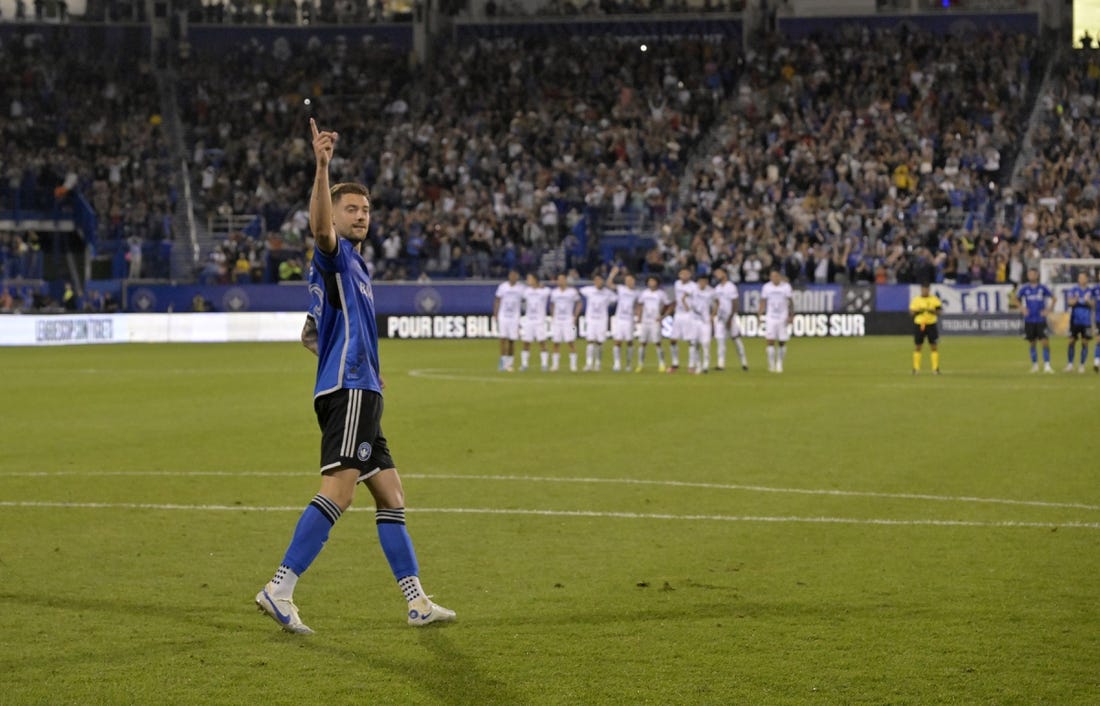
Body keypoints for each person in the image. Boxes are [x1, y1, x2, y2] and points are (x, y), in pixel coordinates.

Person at [256, 119, 455, 635]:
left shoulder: (358, 269)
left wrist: (360, 360)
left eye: (365, 210)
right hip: (349, 393)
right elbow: (320, 229)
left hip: (360, 387)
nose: (361, 215)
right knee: (339, 491)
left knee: (390, 494)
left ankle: (416, 602)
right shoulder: (335, 254)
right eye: (352, 209)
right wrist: (322, 169)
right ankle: (280, 586)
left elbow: (309, 333)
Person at [1016, 268, 1054, 373]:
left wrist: (1049, 310)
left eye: (1033, 274)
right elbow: (1015, 299)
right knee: (1032, 343)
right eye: (1030, 274)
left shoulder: (1042, 288)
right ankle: (1035, 365)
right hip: (1029, 320)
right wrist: (1022, 308)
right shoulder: (1025, 288)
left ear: (1037, 276)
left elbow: (1054, 298)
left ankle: (1047, 365)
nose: (1031, 276)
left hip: (1041, 320)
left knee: (1045, 342)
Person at [712, 267, 748, 371]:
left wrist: (731, 317)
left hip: (730, 317)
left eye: (718, 273)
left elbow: (735, 303)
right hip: (720, 318)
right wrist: (714, 315)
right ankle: (720, 364)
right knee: (720, 341)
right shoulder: (717, 288)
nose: (717, 275)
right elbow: (717, 303)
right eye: (716, 273)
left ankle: (744, 362)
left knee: (736, 340)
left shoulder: (731, 286)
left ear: (724, 274)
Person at [579, 272, 616, 372]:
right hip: (591, 319)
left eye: (599, 280)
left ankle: (598, 363)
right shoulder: (589, 290)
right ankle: (589, 363)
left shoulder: (608, 293)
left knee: (599, 342)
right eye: (596, 280)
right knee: (590, 341)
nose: (597, 282)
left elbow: (615, 298)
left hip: (602, 320)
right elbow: (578, 291)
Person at [759, 269, 794, 373]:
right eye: (772, 276)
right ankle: (771, 364)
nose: (774, 278)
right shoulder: (766, 287)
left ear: (779, 276)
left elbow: (791, 302)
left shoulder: (786, 287)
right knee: (770, 340)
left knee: (782, 342)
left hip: (782, 317)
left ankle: (779, 363)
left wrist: (791, 315)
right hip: (770, 317)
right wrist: (759, 316)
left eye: (776, 276)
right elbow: (763, 302)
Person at [608, 268, 641, 372]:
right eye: (627, 280)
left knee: (629, 342)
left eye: (631, 280)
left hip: (629, 319)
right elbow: (609, 284)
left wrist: (638, 316)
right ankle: (617, 363)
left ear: (634, 281)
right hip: (619, 319)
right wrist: (612, 274)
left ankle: (628, 364)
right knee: (617, 341)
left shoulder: (637, 293)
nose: (629, 282)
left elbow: (638, 306)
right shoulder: (621, 289)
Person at [636, 275, 670, 372]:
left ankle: (662, 363)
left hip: (655, 321)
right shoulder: (644, 293)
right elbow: (640, 304)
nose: (651, 283)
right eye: (650, 281)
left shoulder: (661, 294)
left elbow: (668, 305)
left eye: (653, 281)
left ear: (657, 282)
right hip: (645, 321)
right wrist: (639, 316)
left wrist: (663, 316)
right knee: (642, 343)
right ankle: (640, 364)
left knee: (657, 342)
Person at [493, 268, 525, 372]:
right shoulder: (503, 287)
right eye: (511, 275)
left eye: (514, 275)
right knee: (502, 339)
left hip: (514, 317)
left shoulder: (521, 288)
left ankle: (509, 363)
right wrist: (496, 313)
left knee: (511, 341)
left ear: (517, 277)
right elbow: (497, 300)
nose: (512, 277)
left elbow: (527, 299)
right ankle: (502, 362)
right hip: (503, 316)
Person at [549, 272, 582, 372]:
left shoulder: (572, 292)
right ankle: (555, 365)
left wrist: (575, 316)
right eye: (559, 279)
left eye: (562, 279)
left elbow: (579, 303)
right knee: (556, 342)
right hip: (557, 320)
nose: (560, 281)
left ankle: (573, 365)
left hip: (569, 321)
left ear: (565, 280)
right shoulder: (554, 292)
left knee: (570, 342)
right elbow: (552, 305)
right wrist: (553, 316)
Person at [667, 267, 698, 373]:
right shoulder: (677, 284)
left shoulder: (694, 286)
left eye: (686, 273)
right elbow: (676, 298)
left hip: (688, 314)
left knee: (690, 340)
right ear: (679, 275)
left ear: (690, 275)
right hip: (678, 314)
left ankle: (691, 365)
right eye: (682, 273)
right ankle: (675, 363)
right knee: (673, 340)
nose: (684, 275)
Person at [909, 282, 942, 375]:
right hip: (920, 324)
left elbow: (939, 312)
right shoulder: (916, 300)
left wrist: (933, 311)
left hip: (931, 324)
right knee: (918, 346)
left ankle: (935, 369)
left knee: (934, 346)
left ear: (929, 289)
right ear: (921, 289)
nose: (925, 291)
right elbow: (911, 313)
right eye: (923, 289)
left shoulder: (934, 299)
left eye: (926, 289)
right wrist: (918, 311)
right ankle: (916, 369)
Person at [519, 273, 551, 372]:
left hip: (539, 321)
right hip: (529, 320)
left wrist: (541, 287)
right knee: (526, 343)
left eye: (530, 278)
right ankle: (524, 364)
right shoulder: (526, 291)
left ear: (535, 280)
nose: (528, 280)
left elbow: (549, 291)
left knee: (542, 342)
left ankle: (544, 364)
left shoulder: (544, 291)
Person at [1065, 272, 1094, 373]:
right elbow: (1069, 302)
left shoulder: (1091, 291)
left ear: (1087, 279)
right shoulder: (1074, 290)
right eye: (1079, 277)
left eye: (1083, 277)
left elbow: (1094, 304)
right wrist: (1076, 300)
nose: (1081, 279)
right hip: (1074, 320)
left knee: (1085, 342)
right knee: (1071, 341)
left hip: (1086, 321)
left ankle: (1082, 365)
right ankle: (1070, 364)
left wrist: (1088, 301)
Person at [688, 273, 717, 374]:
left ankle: (706, 365)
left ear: (707, 282)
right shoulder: (693, 290)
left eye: (704, 281)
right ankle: (698, 365)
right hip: (695, 321)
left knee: (705, 343)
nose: (702, 283)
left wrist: (713, 315)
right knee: (695, 343)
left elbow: (717, 303)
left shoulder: (711, 292)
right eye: (700, 281)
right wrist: (689, 308)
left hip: (705, 321)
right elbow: (685, 298)